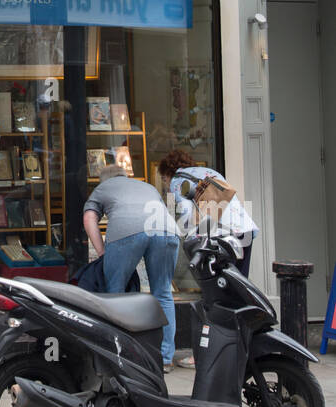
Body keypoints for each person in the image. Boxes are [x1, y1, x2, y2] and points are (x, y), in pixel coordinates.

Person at [83, 164, 181, 370]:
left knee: (115, 294)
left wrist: (101, 252)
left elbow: (89, 217)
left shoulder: (102, 188)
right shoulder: (147, 187)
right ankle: (165, 358)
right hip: (166, 229)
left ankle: (118, 354)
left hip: (127, 231)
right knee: (163, 293)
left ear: (104, 180)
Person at [158, 150, 258, 277]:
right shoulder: (210, 172)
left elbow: (186, 212)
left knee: (220, 286)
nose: (165, 183)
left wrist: (188, 240)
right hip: (244, 229)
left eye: (164, 178)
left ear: (168, 172)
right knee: (239, 285)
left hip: (221, 236)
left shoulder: (177, 180)